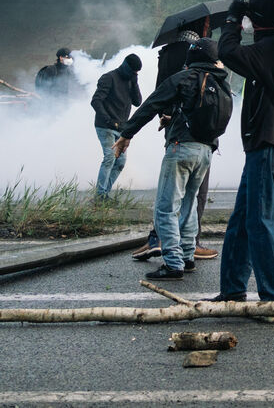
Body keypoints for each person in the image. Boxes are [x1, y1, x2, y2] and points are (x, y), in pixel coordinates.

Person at [113, 38, 231, 282]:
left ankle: (173, 263)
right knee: (189, 205)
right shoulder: (221, 82)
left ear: (192, 57)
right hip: (206, 151)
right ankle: (187, 257)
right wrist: (175, 118)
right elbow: (199, 113)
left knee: (166, 208)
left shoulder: (184, 77)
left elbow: (150, 105)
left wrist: (127, 134)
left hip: (181, 148)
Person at [213, 0, 274, 303]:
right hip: (263, 145)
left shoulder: (269, 50)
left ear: (256, 20)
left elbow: (227, 51)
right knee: (242, 223)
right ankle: (232, 289)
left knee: (260, 222)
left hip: (268, 144)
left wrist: (232, 19)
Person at [133, 31, 219, 263]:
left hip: (178, 138)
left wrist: (127, 134)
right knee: (191, 200)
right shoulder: (211, 71)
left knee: (168, 201)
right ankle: (185, 253)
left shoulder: (168, 55)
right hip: (204, 143)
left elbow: (155, 100)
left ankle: (162, 245)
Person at [91, 53, 143, 200]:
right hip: (105, 126)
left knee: (120, 162)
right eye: (133, 71)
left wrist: (135, 82)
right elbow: (96, 101)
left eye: (137, 73)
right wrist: (108, 120)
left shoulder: (131, 80)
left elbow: (137, 102)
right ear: (126, 66)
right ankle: (100, 196)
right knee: (110, 157)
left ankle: (104, 194)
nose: (134, 74)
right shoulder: (109, 77)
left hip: (121, 128)